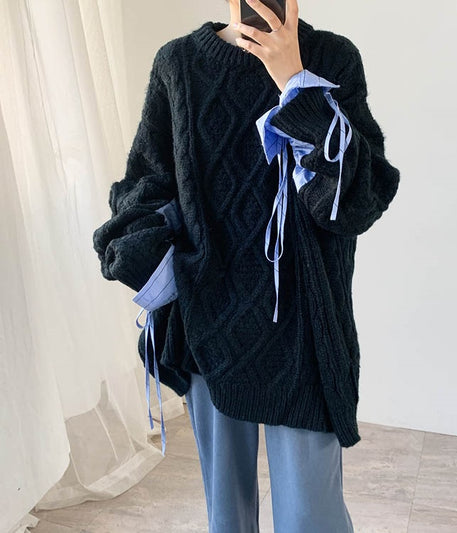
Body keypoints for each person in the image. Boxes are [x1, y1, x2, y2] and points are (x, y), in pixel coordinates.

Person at [92, 0, 401, 530]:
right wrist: (155, 258)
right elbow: (146, 181)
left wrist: (295, 81)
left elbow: (357, 201)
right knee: (227, 516)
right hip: (209, 315)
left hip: (305, 325)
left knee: (312, 517)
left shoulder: (332, 57)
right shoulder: (179, 63)